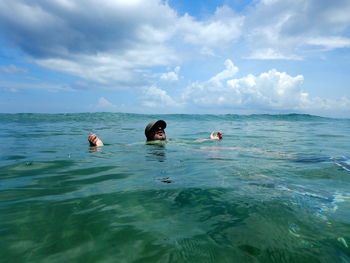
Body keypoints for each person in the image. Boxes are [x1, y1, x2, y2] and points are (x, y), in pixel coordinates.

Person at [88, 120, 222, 146]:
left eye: (161, 128)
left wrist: (212, 140)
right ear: (148, 135)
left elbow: (194, 142)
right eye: (155, 128)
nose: (160, 129)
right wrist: (99, 144)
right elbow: (123, 146)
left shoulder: (171, 141)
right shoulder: (146, 145)